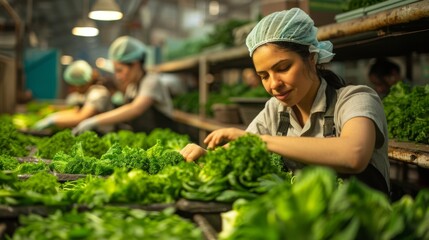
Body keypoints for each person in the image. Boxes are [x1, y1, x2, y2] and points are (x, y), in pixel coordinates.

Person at [180, 8, 391, 196]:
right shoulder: (276, 109)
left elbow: (353, 155)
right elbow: (241, 150)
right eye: (264, 76)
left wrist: (259, 141)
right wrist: (205, 156)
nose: (274, 84)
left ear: (311, 58)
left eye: (282, 68)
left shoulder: (355, 99)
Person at [72, 36, 174, 135]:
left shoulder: (151, 81)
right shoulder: (132, 87)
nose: (118, 76)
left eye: (120, 70)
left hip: (164, 141)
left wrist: (94, 121)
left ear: (135, 64)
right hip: (147, 140)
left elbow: (135, 109)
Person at [34, 60, 114, 133]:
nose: (75, 89)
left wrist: (53, 121)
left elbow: (81, 117)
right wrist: (55, 115)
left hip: (103, 134)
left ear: (84, 83)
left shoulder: (98, 94)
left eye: (77, 86)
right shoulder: (88, 93)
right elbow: (77, 111)